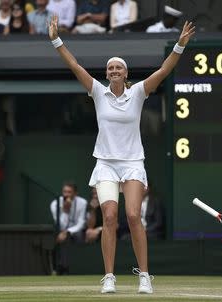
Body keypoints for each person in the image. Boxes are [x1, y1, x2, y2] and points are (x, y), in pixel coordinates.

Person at [48, 15, 195, 294]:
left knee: (133, 215)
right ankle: (109, 276)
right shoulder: (98, 92)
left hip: (132, 163)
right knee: (110, 215)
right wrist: (56, 40)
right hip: (105, 163)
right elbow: (73, 64)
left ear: (126, 73)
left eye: (118, 67)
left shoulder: (139, 92)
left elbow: (164, 71)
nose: (114, 70)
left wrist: (180, 45)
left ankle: (145, 276)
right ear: (107, 74)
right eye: (110, 68)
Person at [50, 182, 87, 274]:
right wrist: (65, 211)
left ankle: (62, 268)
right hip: (60, 232)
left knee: (66, 237)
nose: (66, 194)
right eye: (64, 191)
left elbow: (81, 223)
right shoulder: (55, 204)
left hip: (76, 233)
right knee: (60, 238)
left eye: (69, 192)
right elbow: (60, 225)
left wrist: (68, 232)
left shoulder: (82, 202)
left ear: (75, 193)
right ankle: (60, 268)